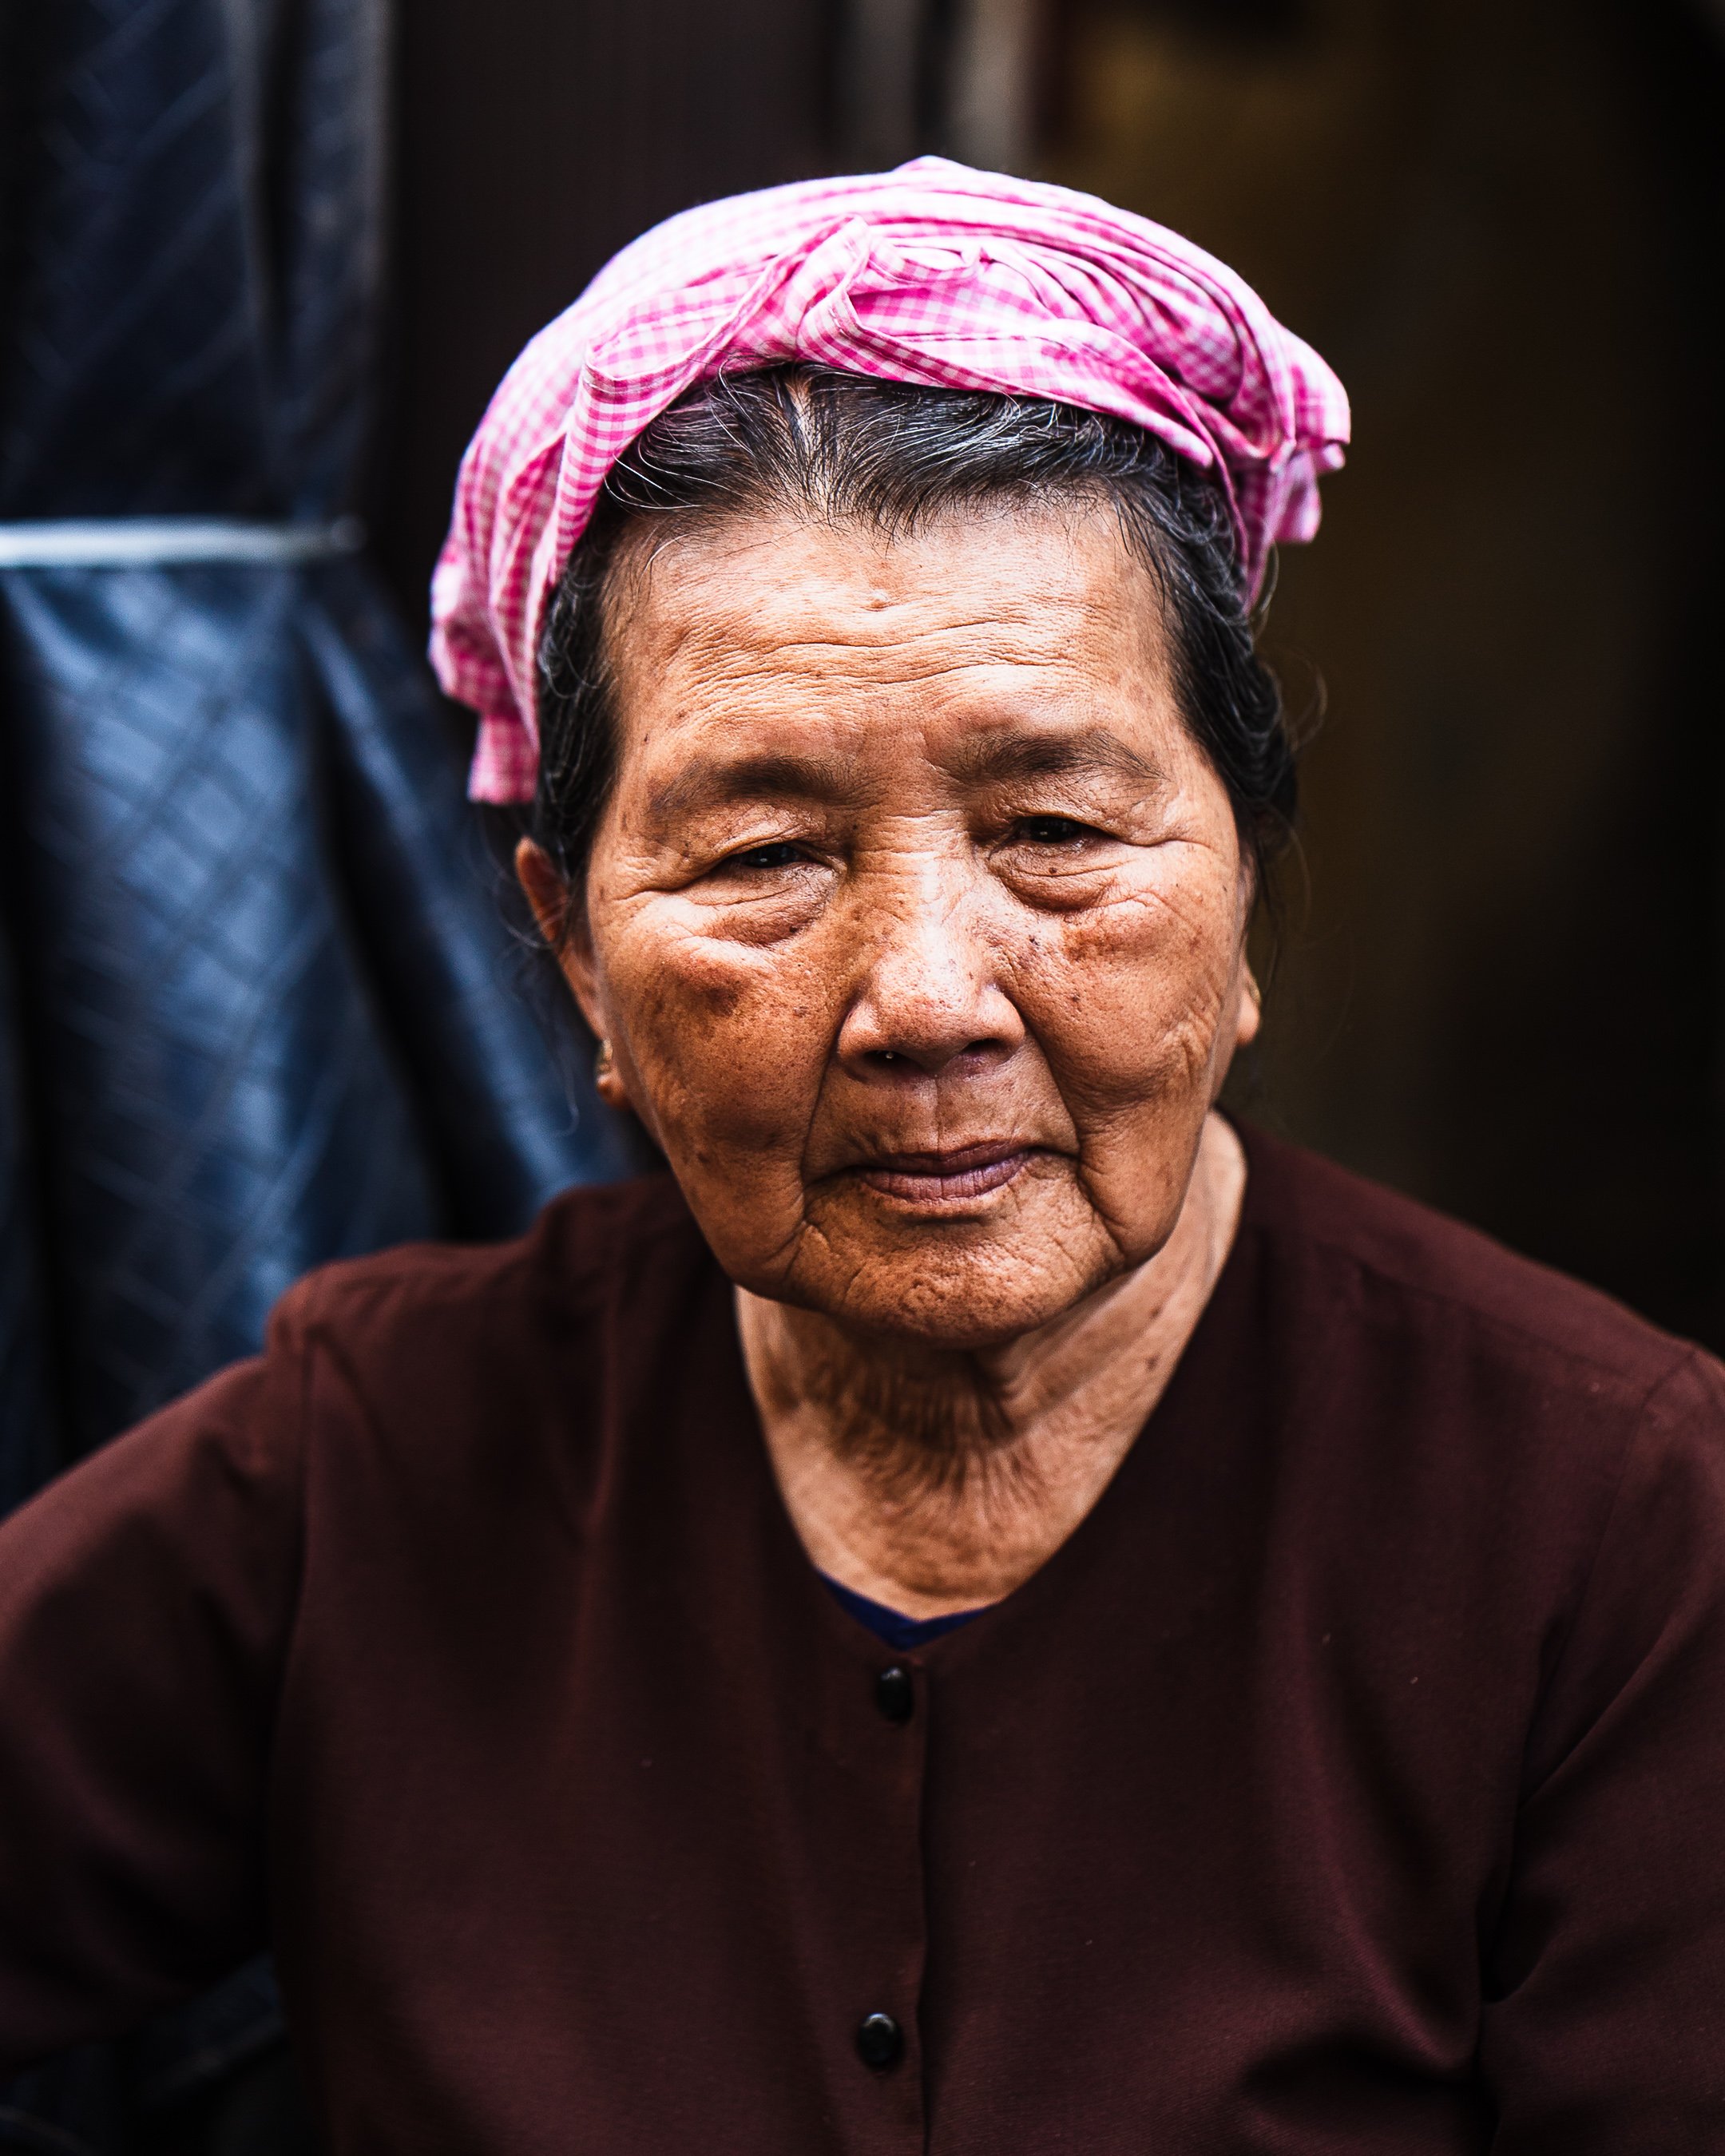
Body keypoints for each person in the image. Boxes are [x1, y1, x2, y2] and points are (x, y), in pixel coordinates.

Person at [2, 159, 1723, 2153]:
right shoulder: (373, 1465)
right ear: (574, 949)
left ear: (1246, 887)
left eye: (1054, 834)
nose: (927, 996)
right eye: (764, 857)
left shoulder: (1617, 1531)